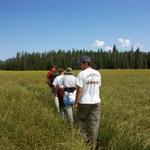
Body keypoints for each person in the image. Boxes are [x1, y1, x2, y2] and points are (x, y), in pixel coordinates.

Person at [73, 56, 101, 149]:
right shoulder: (97, 73)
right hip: (96, 102)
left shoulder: (81, 74)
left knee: (81, 121)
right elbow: (98, 86)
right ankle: (93, 146)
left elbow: (79, 90)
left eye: (80, 63)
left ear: (86, 63)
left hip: (84, 102)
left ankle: (84, 142)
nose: (79, 65)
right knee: (94, 124)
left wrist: (76, 103)